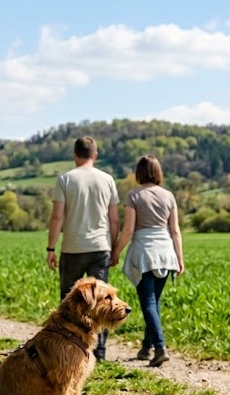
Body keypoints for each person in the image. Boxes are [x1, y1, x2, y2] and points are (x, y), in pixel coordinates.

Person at [46, 136, 120, 360]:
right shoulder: (107, 180)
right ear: (95, 155)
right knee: (104, 301)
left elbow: (57, 217)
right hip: (100, 247)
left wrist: (51, 248)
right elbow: (114, 219)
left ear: (75, 155)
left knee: (70, 302)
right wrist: (114, 248)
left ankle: (68, 346)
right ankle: (99, 351)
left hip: (73, 247)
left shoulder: (65, 179)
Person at [110, 155, 184, 367]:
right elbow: (175, 230)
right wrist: (180, 258)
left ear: (139, 173)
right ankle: (146, 347)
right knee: (154, 303)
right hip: (166, 253)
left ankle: (160, 347)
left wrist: (116, 252)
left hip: (145, 253)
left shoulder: (134, 196)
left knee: (148, 303)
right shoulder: (169, 196)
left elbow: (128, 230)